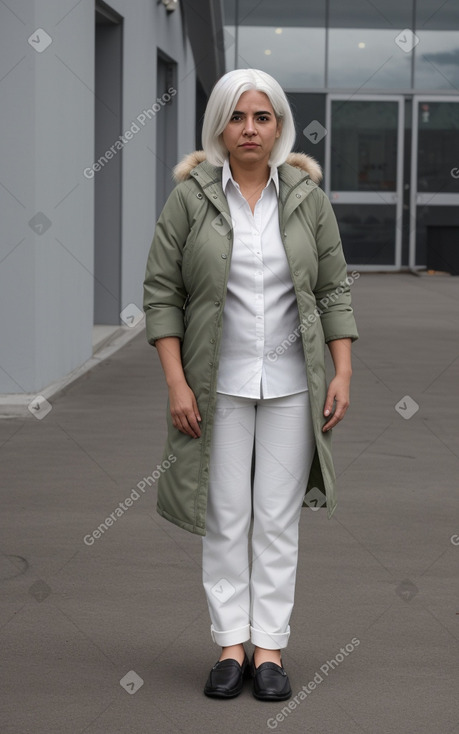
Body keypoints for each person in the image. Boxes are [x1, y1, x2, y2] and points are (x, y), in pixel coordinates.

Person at [143, 68, 358, 701]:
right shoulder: (190, 198)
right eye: (237, 117)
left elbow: (333, 286)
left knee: (276, 521)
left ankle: (269, 648)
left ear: (280, 125)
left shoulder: (307, 199)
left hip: (294, 386)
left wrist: (342, 370)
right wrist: (177, 383)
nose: (250, 129)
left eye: (262, 117)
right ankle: (229, 646)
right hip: (217, 387)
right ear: (218, 125)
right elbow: (163, 293)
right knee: (226, 519)